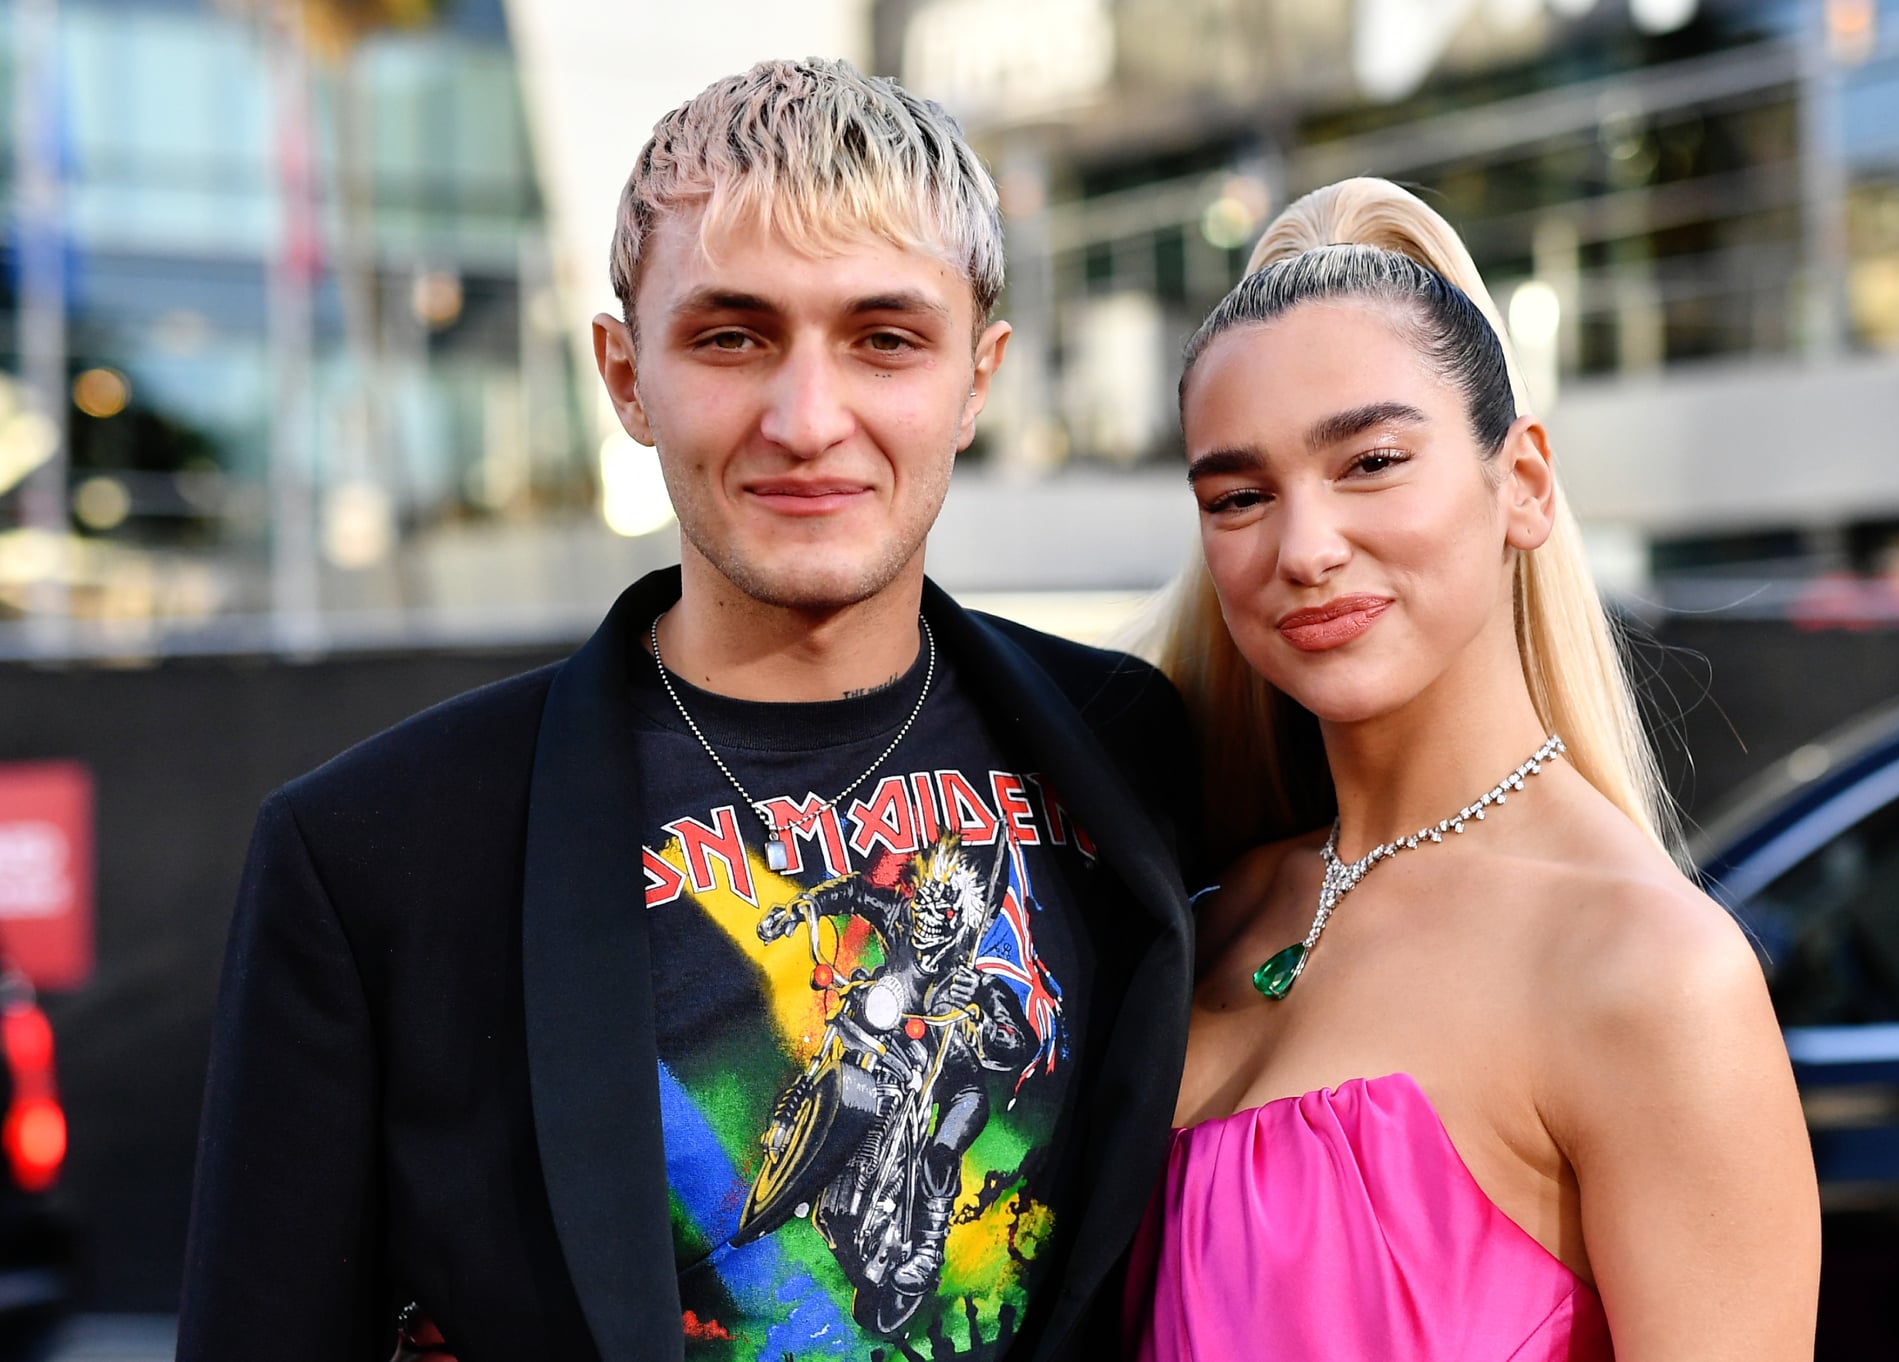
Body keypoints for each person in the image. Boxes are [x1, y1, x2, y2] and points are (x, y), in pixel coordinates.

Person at [178, 60, 1199, 1362]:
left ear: (978, 376)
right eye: (732, 336)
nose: (807, 418)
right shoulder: (378, 852)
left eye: (886, 338)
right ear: (624, 373)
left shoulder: (1132, 748)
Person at [1127, 178, 1820, 1360]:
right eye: (1239, 495)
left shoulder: (1650, 974)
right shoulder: (1205, 911)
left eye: (1371, 461)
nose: (1303, 548)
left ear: (1524, 485)